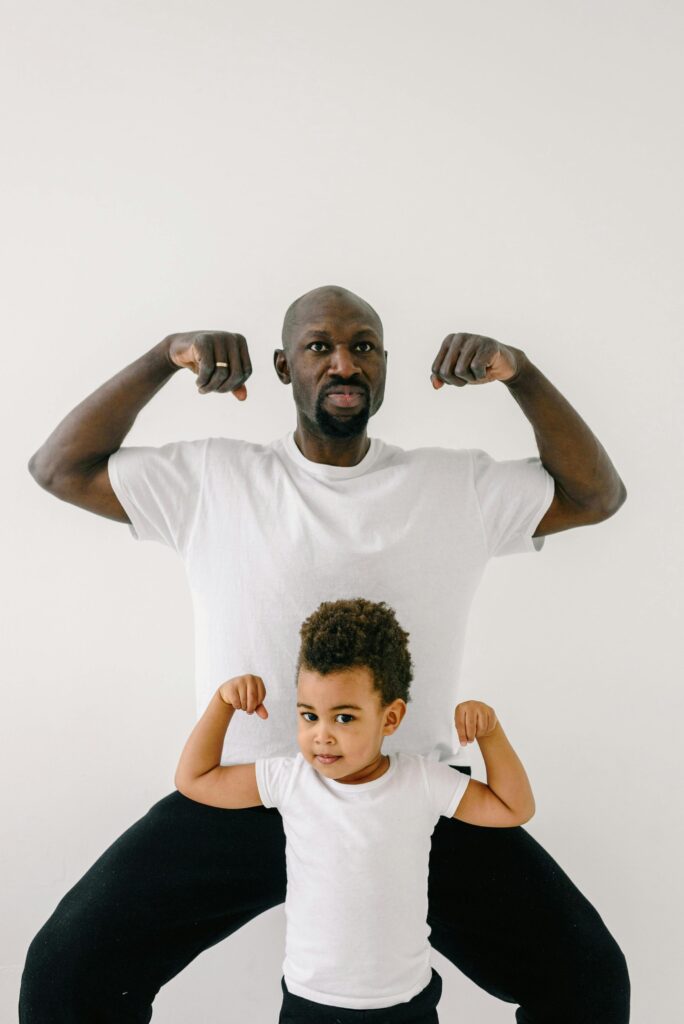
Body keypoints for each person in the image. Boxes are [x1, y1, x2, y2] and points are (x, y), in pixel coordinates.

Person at [22, 284, 629, 1022]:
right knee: (66, 974)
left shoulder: (453, 485)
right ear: (284, 367)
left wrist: (521, 373)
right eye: (319, 348)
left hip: (407, 798)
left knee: (587, 977)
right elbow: (59, 469)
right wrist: (161, 358)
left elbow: (597, 497)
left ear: (384, 365)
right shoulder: (214, 477)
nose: (343, 363)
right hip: (246, 793)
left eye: (363, 347)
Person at [175, 597, 536, 1024]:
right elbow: (194, 780)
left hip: (406, 1004)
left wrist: (490, 732)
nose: (322, 736)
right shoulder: (290, 780)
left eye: (344, 718)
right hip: (312, 1003)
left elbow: (514, 807)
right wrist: (222, 703)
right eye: (309, 716)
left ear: (391, 717)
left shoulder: (420, 780)